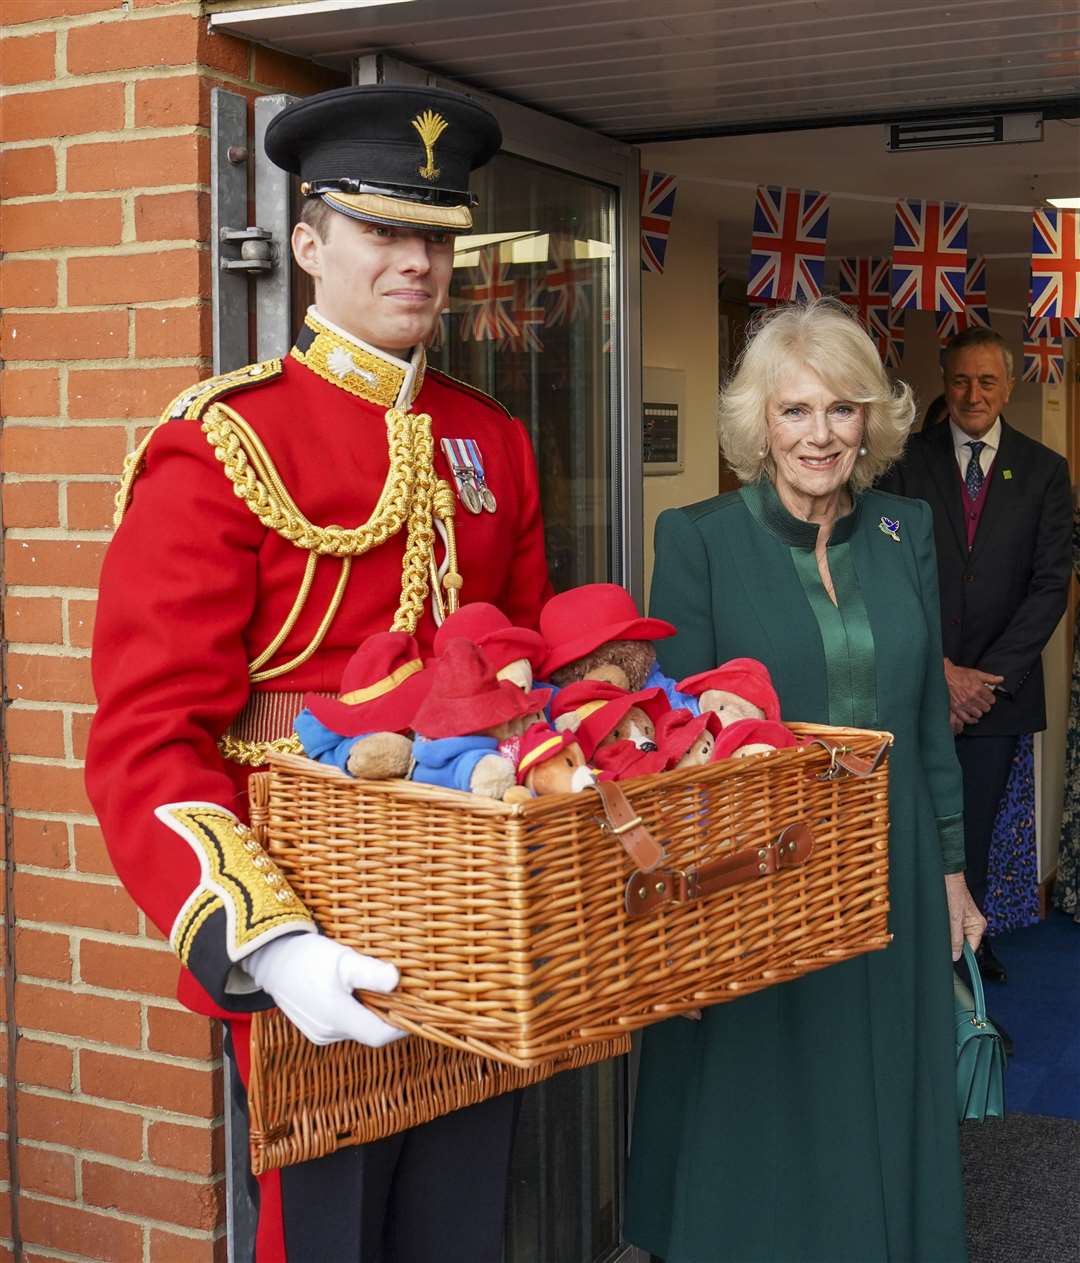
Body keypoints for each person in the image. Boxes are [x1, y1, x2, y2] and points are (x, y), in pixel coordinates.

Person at [85, 85, 552, 1262]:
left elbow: (529, 666)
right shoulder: (226, 438)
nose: (418, 262)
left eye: (436, 235)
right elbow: (148, 733)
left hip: (472, 909)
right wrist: (270, 940)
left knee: (464, 1225)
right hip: (313, 911)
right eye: (383, 230)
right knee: (328, 1234)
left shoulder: (488, 436)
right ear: (307, 244)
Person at [624, 299, 984, 1262]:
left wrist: (950, 871)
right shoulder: (698, 538)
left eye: (841, 408)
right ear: (760, 424)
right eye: (795, 411)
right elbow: (677, 749)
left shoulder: (906, 530)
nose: (820, 434)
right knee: (768, 1086)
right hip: (760, 865)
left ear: (872, 419)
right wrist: (681, 920)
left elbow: (923, 723)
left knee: (883, 1073)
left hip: (896, 855)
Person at [879, 326, 1072, 983]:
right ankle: (917, 962)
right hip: (917, 684)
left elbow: (1049, 588)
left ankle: (966, 968)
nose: (972, 393)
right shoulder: (905, 463)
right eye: (960, 379)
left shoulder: (1046, 471)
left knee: (977, 831)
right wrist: (940, 672)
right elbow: (887, 567)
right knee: (913, 826)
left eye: (987, 380)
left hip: (996, 695)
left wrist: (981, 682)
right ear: (945, 380)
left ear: (1007, 386)